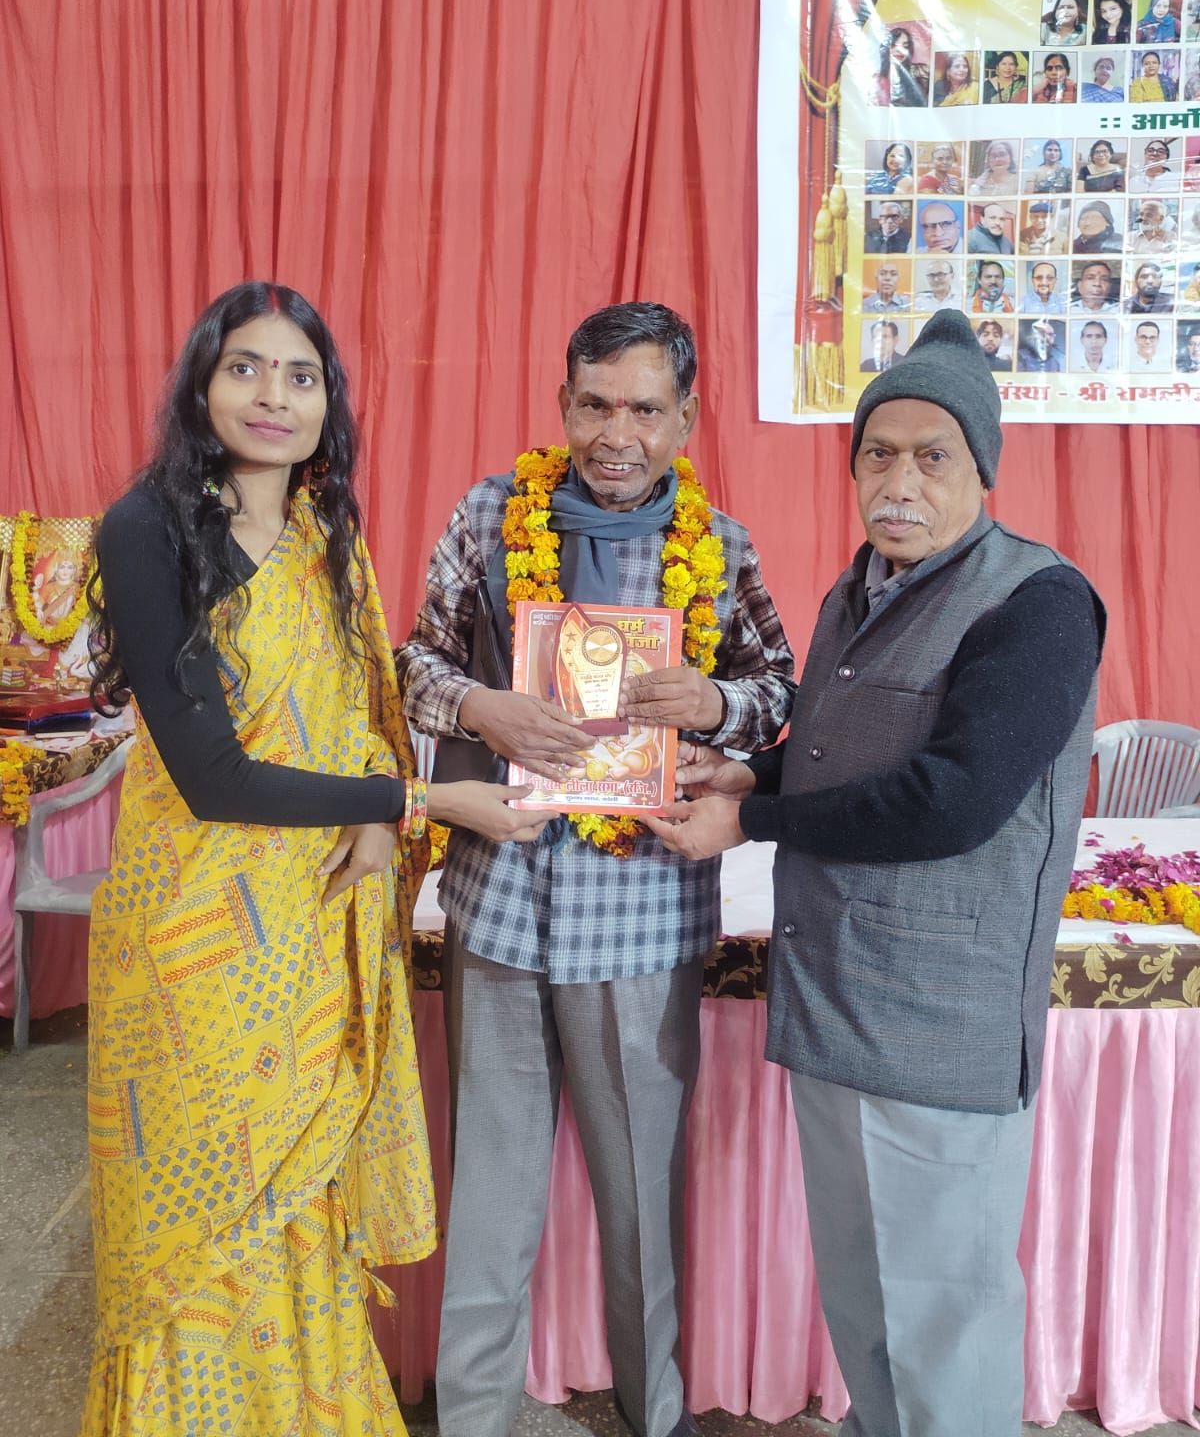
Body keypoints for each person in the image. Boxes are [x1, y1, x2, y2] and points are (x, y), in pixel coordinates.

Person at [81, 282, 548, 1437]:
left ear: (328, 402)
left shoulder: (325, 536)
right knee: (199, 1224)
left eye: (300, 375)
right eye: (245, 366)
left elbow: (358, 716)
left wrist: (383, 811)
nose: (272, 395)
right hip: (191, 944)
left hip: (310, 916)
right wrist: (419, 798)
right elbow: (214, 776)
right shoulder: (147, 529)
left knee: (298, 1200)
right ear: (202, 384)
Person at [644, 308, 1103, 1437]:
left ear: (982, 469)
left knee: (945, 1321)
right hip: (836, 1003)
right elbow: (832, 752)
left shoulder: (1037, 602)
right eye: (878, 454)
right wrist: (746, 770)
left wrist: (753, 821)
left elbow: (954, 798)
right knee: (865, 1306)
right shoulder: (857, 590)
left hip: (938, 1026)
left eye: (932, 457)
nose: (899, 482)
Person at [395, 301, 795, 1437]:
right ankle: (471, 1418)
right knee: (490, 1191)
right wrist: (480, 706)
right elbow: (412, 662)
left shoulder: (722, 547)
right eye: (595, 404)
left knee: (642, 1200)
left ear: (687, 418)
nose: (618, 434)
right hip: (501, 902)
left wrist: (713, 703)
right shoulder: (490, 514)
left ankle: (655, 1414)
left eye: (645, 409)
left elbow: (781, 689)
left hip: (642, 917)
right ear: (563, 403)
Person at [873, 25, 927, 107]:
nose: (899, 50)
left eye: (905, 46)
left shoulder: (919, 71)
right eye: (893, 45)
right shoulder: (877, 78)